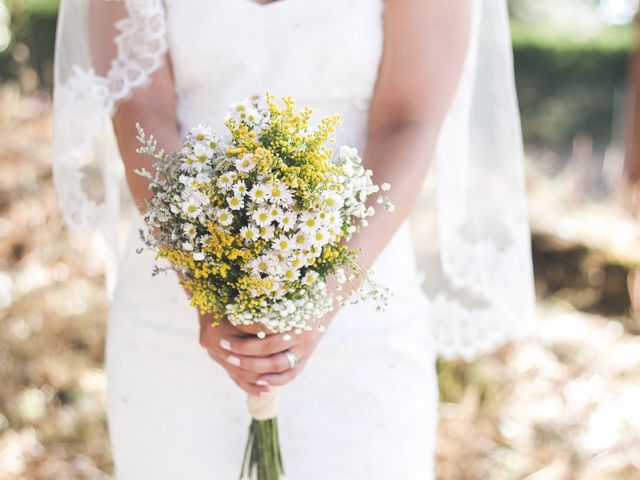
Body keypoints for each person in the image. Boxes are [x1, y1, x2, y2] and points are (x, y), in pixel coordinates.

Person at [52, 0, 535, 478]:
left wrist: (322, 295)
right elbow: (140, 105)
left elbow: (408, 120)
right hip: (172, 304)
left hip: (361, 296)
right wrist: (203, 282)